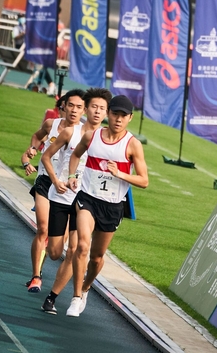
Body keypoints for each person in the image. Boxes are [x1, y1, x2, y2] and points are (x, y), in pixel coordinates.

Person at [65, 95, 148, 317]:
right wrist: (73, 175)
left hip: (112, 206)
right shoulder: (92, 136)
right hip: (88, 198)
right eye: (115, 114)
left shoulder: (132, 145)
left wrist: (120, 173)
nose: (118, 119)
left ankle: (85, 288)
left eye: (123, 116)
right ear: (108, 114)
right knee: (82, 245)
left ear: (130, 118)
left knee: (97, 257)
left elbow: (144, 181)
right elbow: (75, 155)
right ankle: (74, 297)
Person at [38, 88, 111, 314]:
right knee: (54, 252)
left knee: (75, 250)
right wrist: (56, 180)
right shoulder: (71, 132)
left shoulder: (107, 139)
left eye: (102, 109)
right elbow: (46, 156)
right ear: (86, 108)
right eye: (94, 107)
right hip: (61, 195)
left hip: (85, 201)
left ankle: (53, 297)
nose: (97, 112)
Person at [22, 89, 86, 293]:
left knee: (57, 248)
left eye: (79, 107)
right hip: (45, 181)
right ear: (64, 106)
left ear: (83, 110)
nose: (74, 110)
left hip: (68, 190)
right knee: (43, 228)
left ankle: (45, 264)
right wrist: (33, 148)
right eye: (71, 106)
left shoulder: (85, 134)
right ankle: (35, 276)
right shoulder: (52, 125)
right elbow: (36, 136)